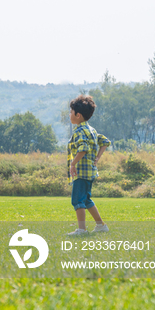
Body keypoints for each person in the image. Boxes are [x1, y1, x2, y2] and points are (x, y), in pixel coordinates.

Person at [67, 95, 111, 236]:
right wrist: (97, 158)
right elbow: (105, 142)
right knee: (86, 200)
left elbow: (83, 148)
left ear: (78, 115)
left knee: (77, 201)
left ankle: (82, 230)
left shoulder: (79, 131)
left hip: (81, 172)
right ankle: (100, 225)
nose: (69, 114)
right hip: (90, 172)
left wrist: (73, 164)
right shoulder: (92, 130)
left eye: (71, 111)